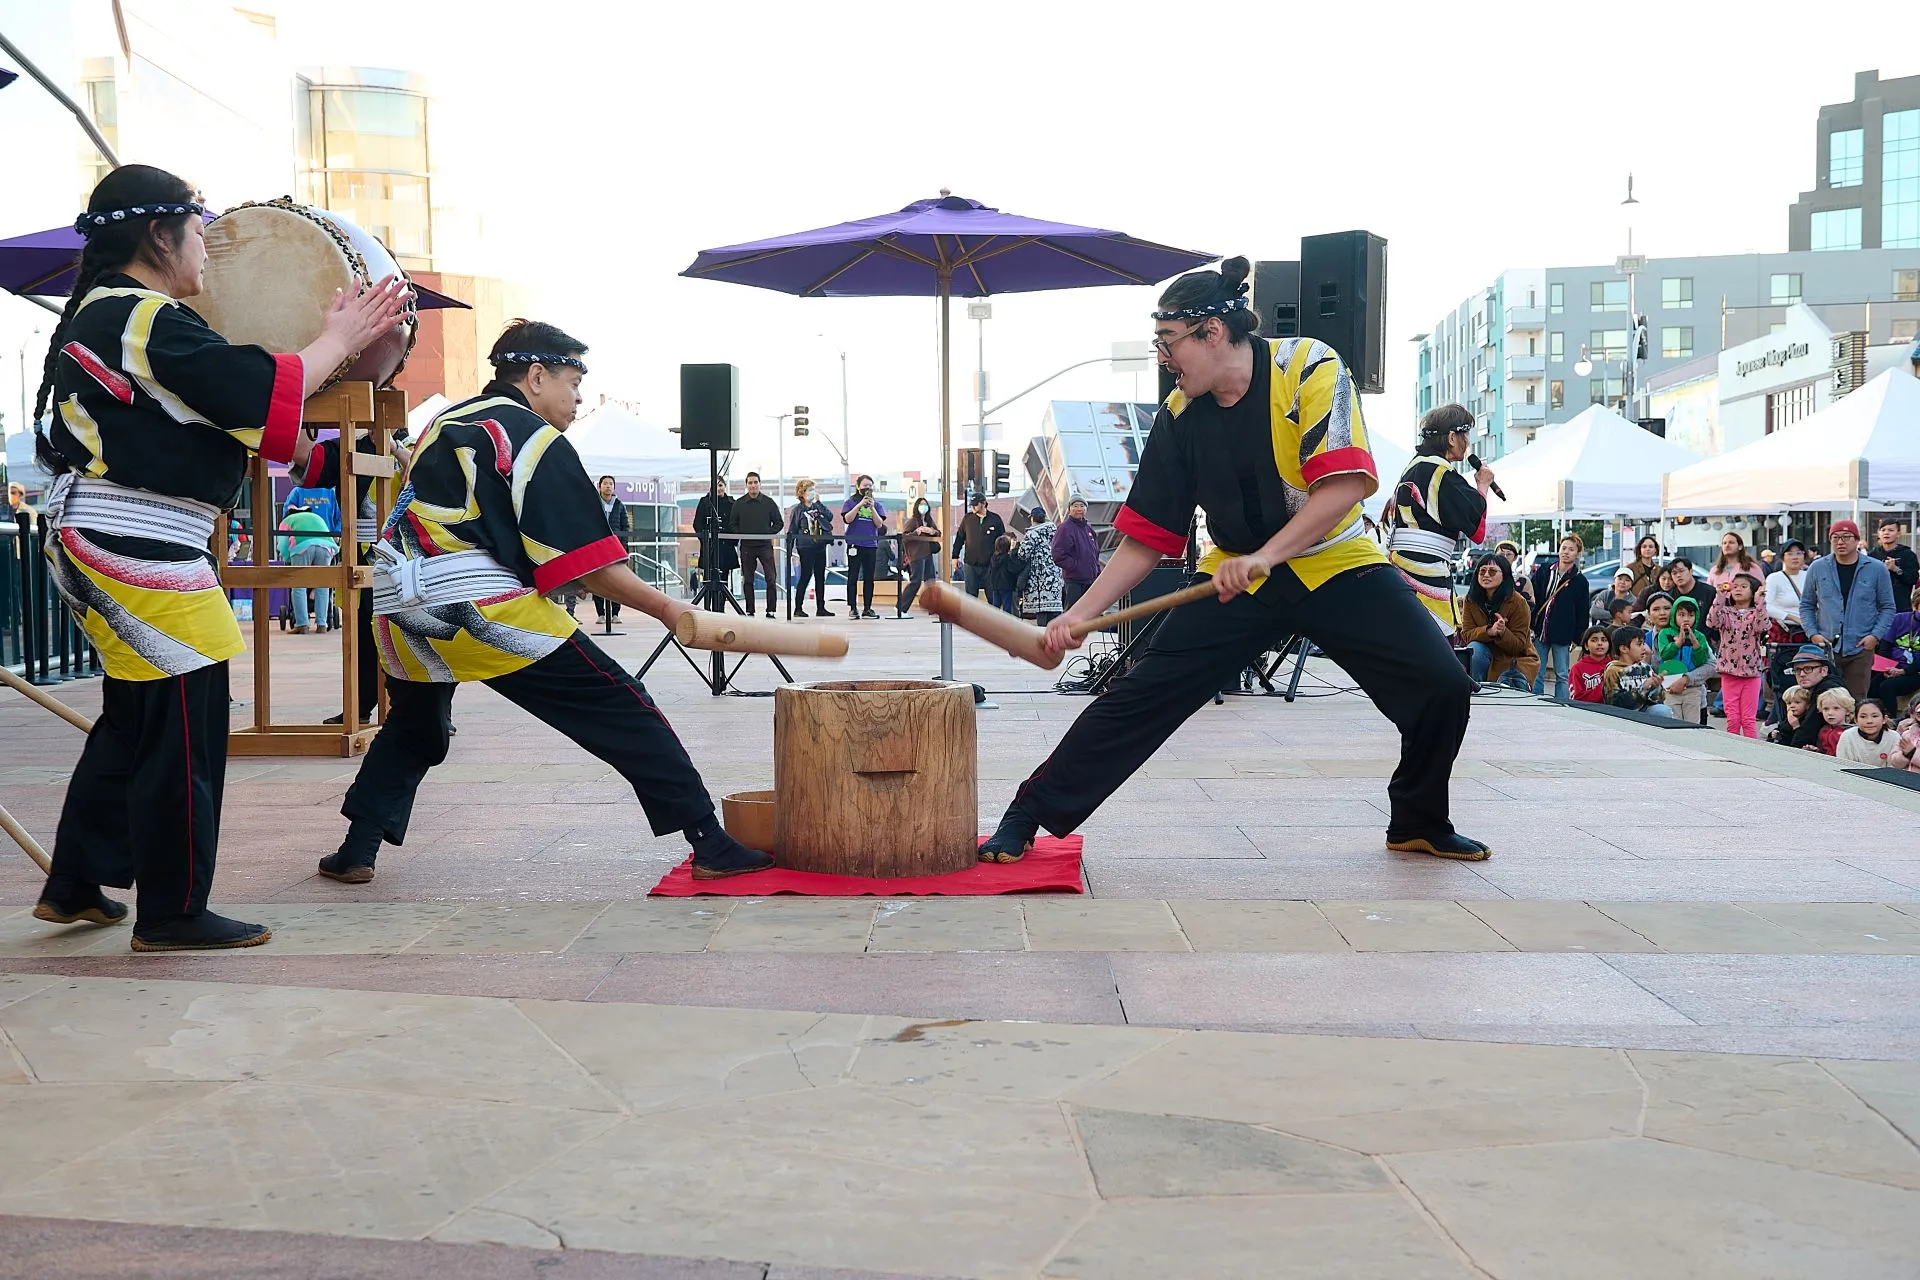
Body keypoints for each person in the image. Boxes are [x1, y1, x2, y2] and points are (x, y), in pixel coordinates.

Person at [978, 257, 1486, 864]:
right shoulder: (1179, 414)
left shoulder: (1310, 367)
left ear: (1212, 332)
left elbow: (1345, 486)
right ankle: (1027, 814)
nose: (1164, 359)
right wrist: (1077, 617)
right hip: (1238, 576)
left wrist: (1268, 556)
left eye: (1169, 343)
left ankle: (1418, 820)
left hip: (1336, 561)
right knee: (1140, 696)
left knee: (1443, 685)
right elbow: (1147, 535)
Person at [28, 163, 407, 950]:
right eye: (200, 232)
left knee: (137, 721)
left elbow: (221, 417)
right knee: (187, 724)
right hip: (133, 541)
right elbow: (244, 383)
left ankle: (77, 882)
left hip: (115, 534)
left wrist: (316, 452)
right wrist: (339, 335)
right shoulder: (139, 315)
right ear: (160, 236)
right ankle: (172, 911)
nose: (210, 250)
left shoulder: (114, 318)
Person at [319, 320, 773, 885]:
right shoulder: (532, 438)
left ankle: (357, 848)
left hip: (394, 606)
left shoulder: (444, 422)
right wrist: (668, 609)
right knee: (622, 708)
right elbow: (591, 567)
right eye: (573, 383)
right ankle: (710, 842)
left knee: (415, 727)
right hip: (474, 605)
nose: (578, 400)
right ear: (535, 377)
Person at [1384, 403, 1491, 633]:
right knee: (1436, 645)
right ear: (1452, 437)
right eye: (1465, 435)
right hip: (1427, 570)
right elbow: (1478, 531)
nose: (1468, 442)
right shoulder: (1441, 473)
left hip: (1402, 566)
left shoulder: (1413, 467)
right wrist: (1482, 486)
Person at [1801, 520, 1896, 700]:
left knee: (1856, 700)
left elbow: (1888, 607)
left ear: (1857, 540)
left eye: (1846, 537)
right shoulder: (1818, 567)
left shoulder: (1876, 569)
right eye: (1835, 538)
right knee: (1824, 700)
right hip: (1826, 645)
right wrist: (1813, 633)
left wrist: (1875, 636)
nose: (1840, 542)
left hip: (1861, 646)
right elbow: (1806, 604)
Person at [1457, 553, 1537, 690]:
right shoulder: (1470, 600)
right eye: (1482, 571)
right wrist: (1489, 631)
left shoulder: (1518, 602)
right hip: (1483, 654)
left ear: (1504, 575)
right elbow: (1466, 634)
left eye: (1492, 571)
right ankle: (1476, 693)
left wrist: (1502, 632)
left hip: (1513, 658)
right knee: (1474, 649)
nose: (1486, 575)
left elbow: (1519, 645)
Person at [1528, 535, 1589, 700]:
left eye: (1571, 549)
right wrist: (1532, 623)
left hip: (1563, 633)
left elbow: (1583, 611)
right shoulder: (1544, 570)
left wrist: (1578, 637)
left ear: (1577, 554)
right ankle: (1536, 701)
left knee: (1562, 673)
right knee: (1537, 669)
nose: (1566, 552)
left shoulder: (1580, 580)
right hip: (1541, 629)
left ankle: (1561, 704)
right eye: (1564, 548)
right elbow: (1533, 597)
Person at [1708, 573, 1769, 738]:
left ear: (1753, 591)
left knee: (1749, 719)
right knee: (1733, 718)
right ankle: (1732, 751)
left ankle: (1751, 754)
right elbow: (1711, 622)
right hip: (1729, 672)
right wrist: (1719, 597)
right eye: (1735, 586)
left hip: (1752, 673)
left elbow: (1763, 625)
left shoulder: (1756, 612)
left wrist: (1759, 602)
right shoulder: (1726, 612)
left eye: (1744, 586)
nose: (1738, 589)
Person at [1764, 540, 1811, 717]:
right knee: (1781, 674)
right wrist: (1791, 617)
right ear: (1783, 557)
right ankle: (1778, 714)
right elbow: (1766, 606)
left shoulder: (1808, 576)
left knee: (1805, 672)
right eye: (1790, 553)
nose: (1795, 557)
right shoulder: (1774, 578)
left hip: (1805, 633)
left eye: (1799, 553)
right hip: (1782, 632)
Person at [728, 470, 782, 617]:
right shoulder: (739, 504)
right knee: (748, 580)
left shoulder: (769, 503)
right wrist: (741, 534)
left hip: (765, 546)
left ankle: (771, 610)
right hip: (747, 547)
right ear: (746, 485)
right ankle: (750, 610)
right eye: (750, 483)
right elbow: (732, 524)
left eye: (755, 482)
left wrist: (768, 533)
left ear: (760, 484)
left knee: (771, 578)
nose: (753, 485)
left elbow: (779, 523)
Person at [277, 499, 336, 634]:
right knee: (322, 585)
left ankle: (302, 624)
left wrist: (288, 558)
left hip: (302, 546)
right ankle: (322, 624)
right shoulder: (317, 517)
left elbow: (283, 544)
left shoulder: (287, 520)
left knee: (299, 585)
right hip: (325, 547)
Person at [1656, 598, 1714, 724]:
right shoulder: (1665, 634)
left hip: (1693, 688)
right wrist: (1677, 643)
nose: (1686, 619)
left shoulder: (1699, 636)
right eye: (1681, 615)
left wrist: (1696, 645)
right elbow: (1665, 655)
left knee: (1692, 723)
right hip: (1670, 686)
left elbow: (1701, 662)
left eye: (1691, 615)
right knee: (1673, 722)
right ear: (1674, 615)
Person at [786, 478, 835, 617]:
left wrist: (819, 503)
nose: (812, 492)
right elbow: (793, 529)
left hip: (820, 546)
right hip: (806, 547)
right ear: (802, 492)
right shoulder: (798, 510)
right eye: (809, 490)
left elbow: (829, 517)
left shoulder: (817, 507)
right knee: (806, 575)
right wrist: (790, 549)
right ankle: (798, 608)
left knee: (820, 577)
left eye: (814, 490)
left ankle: (821, 607)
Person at [1783, 645, 1848, 749]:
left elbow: (1810, 728)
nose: (1802, 674)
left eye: (1808, 668)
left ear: (1824, 671)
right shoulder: (1813, 687)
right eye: (1797, 670)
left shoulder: (1827, 690)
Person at [1603, 627, 1675, 718]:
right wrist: (1643, 688)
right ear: (1624, 648)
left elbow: (1659, 700)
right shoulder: (1613, 670)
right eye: (1639, 644)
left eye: (1644, 643)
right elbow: (1613, 702)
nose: (1644, 648)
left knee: (1663, 710)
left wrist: (1656, 687)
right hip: (1623, 715)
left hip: (1645, 711)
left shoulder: (1645, 667)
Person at [840, 473, 885, 619]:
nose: (868, 488)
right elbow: (847, 519)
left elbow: (879, 524)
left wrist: (872, 508)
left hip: (870, 544)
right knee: (853, 576)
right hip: (855, 543)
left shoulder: (877, 504)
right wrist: (860, 505)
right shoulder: (851, 502)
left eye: (870, 486)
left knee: (868, 577)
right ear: (858, 487)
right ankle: (853, 608)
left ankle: (867, 608)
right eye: (865, 486)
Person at [1870, 586, 1920, 713]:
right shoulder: (1899, 619)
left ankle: (1892, 721)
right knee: (1872, 687)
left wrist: (1904, 671)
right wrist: (1886, 668)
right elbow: (1885, 646)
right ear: (1915, 606)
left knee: (1888, 687)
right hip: (1892, 666)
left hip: (1914, 671)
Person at [589, 475, 630, 625]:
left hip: (615, 549)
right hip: (597, 548)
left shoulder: (619, 505)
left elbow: (625, 527)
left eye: (610, 484)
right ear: (599, 487)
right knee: (598, 581)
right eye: (605, 483)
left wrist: (623, 547)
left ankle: (615, 613)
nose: (608, 486)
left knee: (616, 582)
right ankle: (600, 613)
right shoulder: (593, 504)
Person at [894, 495, 940, 617]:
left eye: (925, 504)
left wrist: (932, 531)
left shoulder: (929, 521)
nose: (923, 507)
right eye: (921, 504)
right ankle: (901, 607)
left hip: (927, 554)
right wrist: (917, 532)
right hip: (916, 555)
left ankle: (933, 608)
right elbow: (904, 537)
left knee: (931, 581)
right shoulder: (913, 521)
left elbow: (938, 532)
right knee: (916, 582)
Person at [951, 494, 1004, 601]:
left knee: (992, 596)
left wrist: (1000, 559)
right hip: (971, 563)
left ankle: (991, 617)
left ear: (983, 503)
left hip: (990, 565)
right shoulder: (967, 519)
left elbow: (1002, 541)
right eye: (972, 505)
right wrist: (955, 556)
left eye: (975, 505)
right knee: (970, 597)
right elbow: (960, 538)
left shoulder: (995, 519)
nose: (973, 507)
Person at [692, 477, 736, 601]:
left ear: (725, 486)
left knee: (724, 580)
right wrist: (705, 541)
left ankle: (721, 607)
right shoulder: (705, 502)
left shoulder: (732, 503)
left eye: (721, 485)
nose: (719, 488)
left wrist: (732, 540)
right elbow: (697, 524)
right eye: (716, 486)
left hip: (726, 547)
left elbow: (736, 524)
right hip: (709, 548)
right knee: (708, 578)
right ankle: (709, 606)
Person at [1017, 505, 1063, 624]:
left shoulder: (1032, 534)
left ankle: (1043, 637)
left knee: (1042, 612)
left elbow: (1022, 554)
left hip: (1038, 578)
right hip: (1055, 575)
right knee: (1054, 613)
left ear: (1032, 518)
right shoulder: (1055, 531)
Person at [1052, 497, 1100, 610]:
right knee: (1073, 612)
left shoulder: (1088, 528)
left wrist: (1097, 570)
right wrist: (1075, 566)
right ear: (1069, 509)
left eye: (1082, 506)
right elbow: (1057, 554)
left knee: (1089, 613)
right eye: (1075, 506)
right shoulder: (1065, 528)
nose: (1079, 509)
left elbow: (1095, 552)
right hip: (1074, 580)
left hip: (1090, 580)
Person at [1870, 522, 1920, 612]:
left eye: (1891, 530)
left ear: (1898, 534)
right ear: (1878, 533)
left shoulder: (1908, 554)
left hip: (1900, 607)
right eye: (1883, 530)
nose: (1886, 533)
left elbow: (1913, 579)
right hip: (1875, 608)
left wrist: (1896, 569)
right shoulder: (1872, 555)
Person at [1837, 697, 1895, 766]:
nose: (1869, 721)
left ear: (1884, 719)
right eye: (1863, 717)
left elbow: (1895, 768)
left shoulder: (1894, 737)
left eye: (1875, 716)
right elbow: (1843, 765)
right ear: (1856, 720)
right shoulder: (1847, 737)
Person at [1569, 626, 1612, 704]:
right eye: (1594, 640)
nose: (1600, 643)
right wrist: (1603, 687)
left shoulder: (1614, 666)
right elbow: (1577, 698)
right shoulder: (1577, 668)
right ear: (1586, 646)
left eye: (1604, 640)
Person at [1811, 687, 1855, 755]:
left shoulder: (1852, 732)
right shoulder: (1823, 730)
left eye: (1836, 708)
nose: (1830, 713)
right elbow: (1823, 752)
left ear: (1847, 710)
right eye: (1826, 709)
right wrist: (1815, 751)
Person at [986, 534, 1019, 613]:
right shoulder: (1007, 558)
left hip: (995, 585)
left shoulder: (993, 558)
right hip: (1006, 586)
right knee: (1007, 608)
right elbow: (1013, 569)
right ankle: (1006, 623)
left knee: (996, 606)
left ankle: (994, 622)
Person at [1624, 534, 1663, 600]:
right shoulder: (1631, 568)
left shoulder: (1659, 570)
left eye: (1650, 547)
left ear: (1655, 550)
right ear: (1639, 549)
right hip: (1636, 605)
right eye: (1644, 547)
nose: (1647, 549)